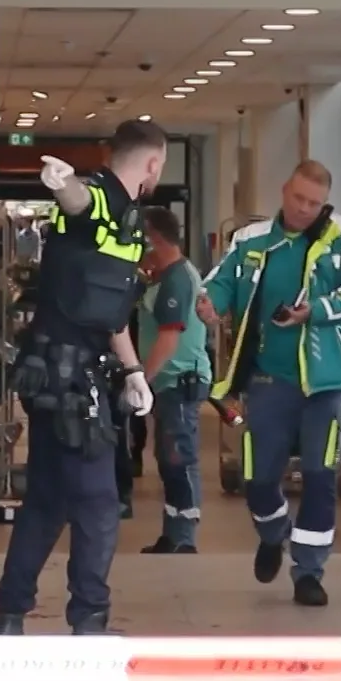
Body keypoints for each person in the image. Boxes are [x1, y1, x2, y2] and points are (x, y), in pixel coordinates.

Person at [0, 121, 167, 635]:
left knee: (47, 500)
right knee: (96, 502)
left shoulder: (129, 221)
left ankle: (10, 612)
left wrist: (134, 370)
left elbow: (108, 314)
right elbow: (78, 202)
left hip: (63, 371)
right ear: (154, 164)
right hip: (66, 379)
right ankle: (89, 618)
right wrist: (59, 183)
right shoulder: (100, 198)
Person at [197, 161, 341, 607]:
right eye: (299, 199)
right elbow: (220, 284)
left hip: (325, 381)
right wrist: (210, 306)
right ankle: (273, 531)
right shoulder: (251, 240)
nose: (305, 209)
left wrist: (314, 309)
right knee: (257, 477)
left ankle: (309, 571)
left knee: (319, 475)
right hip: (267, 378)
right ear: (284, 190)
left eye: (315, 203)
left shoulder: (339, 234)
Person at [132, 206, 212, 554]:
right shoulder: (165, 277)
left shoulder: (178, 279)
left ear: (155, 237)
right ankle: (173, 531)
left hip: (179, 379)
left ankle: (184, 534)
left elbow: (169, 337)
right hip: (168, 382)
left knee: (179, 456)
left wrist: (141, 381)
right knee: (167, 457)